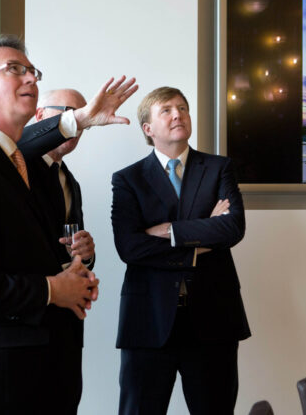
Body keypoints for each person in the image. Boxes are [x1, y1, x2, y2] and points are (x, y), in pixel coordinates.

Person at [0, 36, 137, 415]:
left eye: (33, 71)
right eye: (15, 69)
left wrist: (72, 272)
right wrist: (52, 289)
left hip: (34, 377)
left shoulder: (15, 161)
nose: (31, 79)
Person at [112, 86, 250, 415]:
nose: (178, 115)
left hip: (213, 319)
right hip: (148, 320)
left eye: (183, 108)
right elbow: (129, 247)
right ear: (148, 129)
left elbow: (232, 228)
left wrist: (170, 231)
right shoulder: (128, 179)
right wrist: (201, 236)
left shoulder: (219, 168)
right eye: (167, 110)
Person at [19, 88, 97, 413]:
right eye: (67, 113)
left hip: (67, 330)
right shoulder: (16, 162)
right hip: (26, 322)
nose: (77, 124)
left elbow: (68, 250)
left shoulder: (71, 181)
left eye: (82, 118)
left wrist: (87, 253)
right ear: (40, 116)